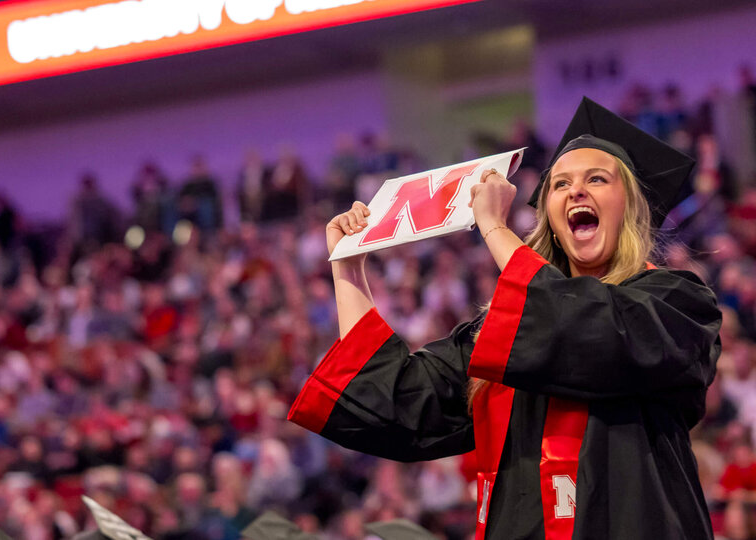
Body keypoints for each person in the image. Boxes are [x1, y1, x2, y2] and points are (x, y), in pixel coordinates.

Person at [287, 98, 722, 539]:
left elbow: (594, 330)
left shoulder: (677, 303)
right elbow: (398, 401)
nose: (576, 191)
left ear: (631, 207)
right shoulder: (501, 334)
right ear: (550, 218)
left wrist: (495, 228)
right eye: (560, 184)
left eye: (597, 179)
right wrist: (348, 267)